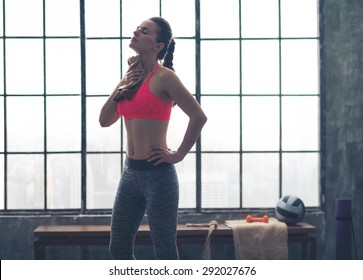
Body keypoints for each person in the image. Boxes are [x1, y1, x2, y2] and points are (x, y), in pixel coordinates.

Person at [99, 17, 207, 260]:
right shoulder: (130, 81)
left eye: (145, 31)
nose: (136, 31)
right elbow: (104, 120)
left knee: (165, 251)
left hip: (158, 175)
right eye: (138, 28)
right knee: (118, 248)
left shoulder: (165, 77)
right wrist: (122, 83)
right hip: (130, 175)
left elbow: (199, 117)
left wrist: (178, 155)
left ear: (158, 46)